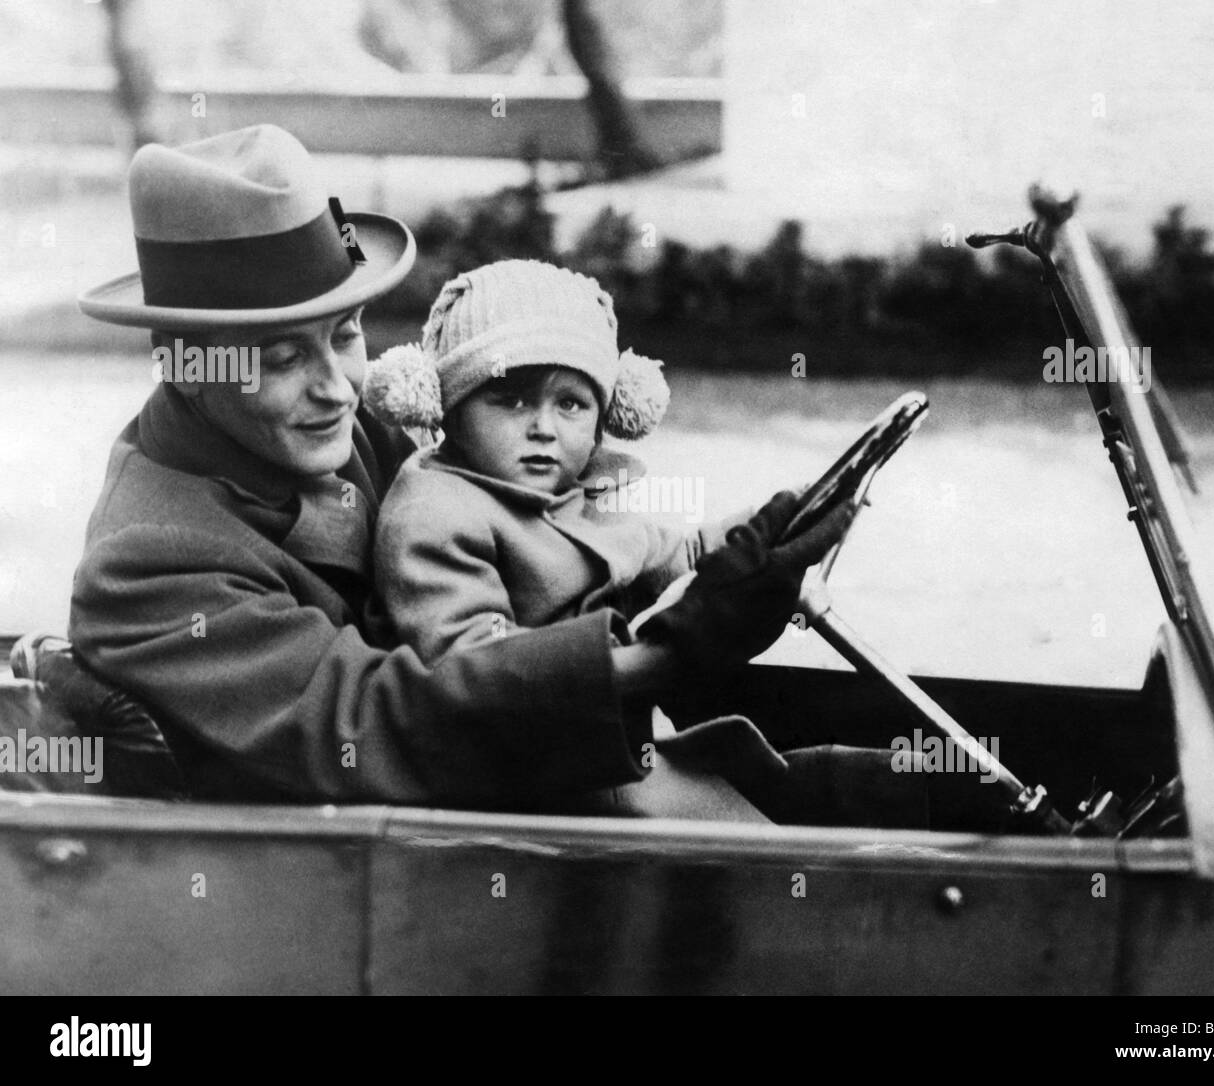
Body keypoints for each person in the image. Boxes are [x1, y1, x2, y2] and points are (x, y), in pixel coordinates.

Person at [67, 123, 851, 817]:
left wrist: (705, 562)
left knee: (889, 790)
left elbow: (525, 544)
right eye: (280, 359)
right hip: (363, 903)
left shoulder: (351, 427)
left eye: (345, 334)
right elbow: (377, 720)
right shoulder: (146, 564)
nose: (337, 387)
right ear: (183, 362)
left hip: (555, 787)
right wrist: (668, 654)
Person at [361, 258, 746, 662]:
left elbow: (683, 556)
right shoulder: (434, 515)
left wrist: (782, 519)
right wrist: (642, 661)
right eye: (512, 401)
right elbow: (476, 664)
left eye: (570, 403)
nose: (544, 427)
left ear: (604, 418)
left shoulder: (581, 491)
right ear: (450, 409)